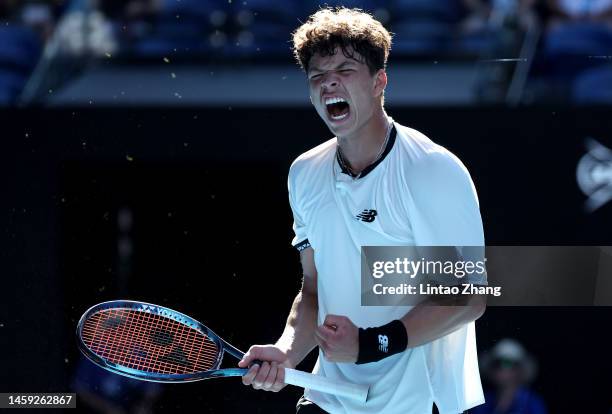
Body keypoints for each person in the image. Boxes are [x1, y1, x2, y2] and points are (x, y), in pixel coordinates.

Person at [238, 7, 487, 414]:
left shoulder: (431, 170)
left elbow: (466, 297)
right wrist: (287, 351)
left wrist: (371, 344)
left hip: (419, 403)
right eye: (317, 76)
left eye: (345, 69)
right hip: (329, 398)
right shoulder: (304, 174)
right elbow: (315, 289)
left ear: (379, 82)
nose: (328, 82)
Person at [472, 339, 547, 414]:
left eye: (506, 363)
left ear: (519, 370)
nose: (500, 368)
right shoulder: (482, 402)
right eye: (496, 363)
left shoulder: (532, 403)